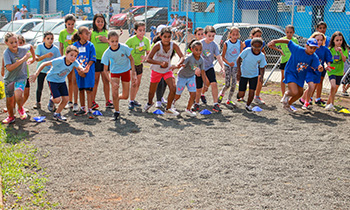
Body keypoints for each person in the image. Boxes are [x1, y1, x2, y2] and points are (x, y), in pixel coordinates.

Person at [29, 46, 87, 121]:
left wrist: (84, 70)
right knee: (57, 100)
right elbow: (44, 64)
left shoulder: (74, 62)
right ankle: (51, 100)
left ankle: (57, 114)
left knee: (66, 99)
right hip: (52, 80)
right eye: (71, 55)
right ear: (66, 54)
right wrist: (36, 74)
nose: (73, 57)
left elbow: (80, 68)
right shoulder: (59, 60)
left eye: (75, 56)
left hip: (61, 81)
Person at [268, 38, 321, 113]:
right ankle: (286, 94)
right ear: (306, 45)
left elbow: (317, 65)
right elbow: (288, 41)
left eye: (315, 48)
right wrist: (274, 41)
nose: (312, 50)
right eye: (311, 47)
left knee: (300, 93)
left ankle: (287, 105)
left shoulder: (313, 56)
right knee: (294, 91)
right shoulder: (297, 49)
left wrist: (320, 68)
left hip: (300, 76)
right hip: (291, 72)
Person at [144, 27, 184, 116]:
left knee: (173, 88)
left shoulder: (173, 45)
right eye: (165, 36)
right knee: (151, 91)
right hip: (156, 70)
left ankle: (168, 108)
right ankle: (150, 103)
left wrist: (178, 64)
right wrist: (160, 63)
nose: (167, 39)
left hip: (167, 70)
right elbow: (148, 59)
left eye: (169, 37)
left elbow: (182, 56)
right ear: (161, 36)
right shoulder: (158, 45)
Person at [101, 31, 136, 120]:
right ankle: (116, 112)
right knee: (115, 91)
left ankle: (116, 99)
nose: (115, 43)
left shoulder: (124, 48)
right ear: (108, 41)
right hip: (114, 72)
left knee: (125, 96)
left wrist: (133, 73)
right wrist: (111, 82)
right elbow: (105, 70)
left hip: (125, 70)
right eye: (112, 41)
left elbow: (131, 59)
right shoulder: (107, 53)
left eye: (116, 41)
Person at [2, 32, 36, 124]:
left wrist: (33, 58)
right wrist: (23, 59)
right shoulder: (6, 53)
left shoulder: (23, 49)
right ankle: (11, 117)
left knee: (18, 94)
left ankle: (20, 108)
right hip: (9, 79)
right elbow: (9, 68)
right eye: (11, 42)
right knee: (9, 101)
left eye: (16, 42)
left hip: (21, 77)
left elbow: (31, 46)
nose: (14, 44)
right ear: (6, 43)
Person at [193, 25, 225, 112]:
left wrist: (223, 67)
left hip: (209, 67)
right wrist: (196, 68)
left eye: (213, 36)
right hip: (200, 67)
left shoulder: (214, 45)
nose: (211, 38)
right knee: (199, 87)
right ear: (205, 35)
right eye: (209, 36)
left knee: (214, 83)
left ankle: (215, 104)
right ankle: (196, 103)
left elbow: (218, 56)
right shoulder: (200, 43)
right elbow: (194, 57)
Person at [300, 32, 332, 109]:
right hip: (309, 70)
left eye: (321, 40)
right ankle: (306, 102)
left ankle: (303, 99)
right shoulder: (310, 48)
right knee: (311, 86)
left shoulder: (325, 49)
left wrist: (328, 66)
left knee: (313, 86)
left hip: (318, 71)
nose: (319, 42)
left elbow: (328, 59)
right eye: (317, 40)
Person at [173, 40, 204, 117]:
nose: (198, 52)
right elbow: (183, 62)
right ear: (192, 49)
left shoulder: (201, 60)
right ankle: (171, 103)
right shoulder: (189, 57)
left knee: (193, 94)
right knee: (178, 94)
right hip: (182, 77)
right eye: (196, 50)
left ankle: (188, 109)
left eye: (200, 50)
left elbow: (203, 71)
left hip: (191, 77)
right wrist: (181, 65)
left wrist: (205, 83)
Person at [269, 25, 298, 102]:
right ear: (285, 32)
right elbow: (270, 45)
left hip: (292, 62)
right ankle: (283, 95)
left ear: (293, 32)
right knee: (283, 78)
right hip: (284, 61)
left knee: (291, 79)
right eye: (287, 32)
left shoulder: (295, 40)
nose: (289, 34)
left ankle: (289, 95)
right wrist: (280, 51)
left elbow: (297, 50)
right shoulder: (282, 40)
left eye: (291, 32)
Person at [237, 38, 267, 112]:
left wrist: (261, 76)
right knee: (241, 94)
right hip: (244, 74)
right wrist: (238, 71)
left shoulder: (261, 56)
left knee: (252, 92)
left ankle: (248, 105)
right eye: (255, 47)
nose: (256, 49)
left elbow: (262, 67)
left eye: (259, 47)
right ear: (251, 46)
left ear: (261, 47)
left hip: (254, 75)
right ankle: (239, 94)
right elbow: (239, 59)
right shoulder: (247, 51)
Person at [72, 26, 96, 119]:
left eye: (89, 33)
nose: (88, 35)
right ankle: (82, 108)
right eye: (86, 33)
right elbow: (73, 59)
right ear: (80, 35)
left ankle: (90, 109)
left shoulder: (90, 45)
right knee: (81, 89)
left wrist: (87, 68)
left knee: (89, 90)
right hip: (78, 71)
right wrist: (79, 70)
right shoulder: (75, 45)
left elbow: (92, 58)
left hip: (89, 71)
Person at [125, 21, 151, 110]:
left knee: (138, 83)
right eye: (140, 30)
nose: (142, 32)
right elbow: (124, 49)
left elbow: (148, 52)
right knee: (134, 82)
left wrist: (145, 57)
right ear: (135, 30)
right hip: (131, 64)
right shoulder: (131, 40)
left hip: (139, 64)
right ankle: (131, 101)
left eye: (144, 30)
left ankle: (133, 99)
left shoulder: (146, 40)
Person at [90, 14, 113, 110]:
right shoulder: (91, 33)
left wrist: (107, 40)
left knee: (106, 80)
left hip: (105, 60)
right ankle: (92, 101)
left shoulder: (107, 33)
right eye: (98, 21)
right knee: (95, 81)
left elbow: (113, 43)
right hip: (95, 60)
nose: (100, 23)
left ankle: (108, 101)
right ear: (94, 22)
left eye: (102, 21)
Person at [33, 32, 61, 109]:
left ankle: (52, 103)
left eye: (51, 38)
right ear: (44, 39)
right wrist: (46, 56)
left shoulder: (55, 49)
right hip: (41, 70)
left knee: (52, 88)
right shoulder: (40, 46)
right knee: (39, 87)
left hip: (51, 71)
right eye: (48, 38)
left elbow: (59, 60)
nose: (50, 40)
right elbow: (37, 59)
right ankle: (38, 102)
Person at [218, 26, 243, 108]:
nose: (235, 36)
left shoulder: (240, 43)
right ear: (230, 34)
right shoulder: (226, 43)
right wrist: (229, 63)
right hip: (228, 65)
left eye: (236, 34)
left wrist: (238, 64)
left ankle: (229, 99)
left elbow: (241, 54)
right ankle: (222, 93)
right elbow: (223, 56)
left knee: (234, 84)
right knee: (227, 84)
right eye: (233, 34)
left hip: (236, 66)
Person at [59, 14, 79, 111]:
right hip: (66, 60)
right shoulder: (62, 33)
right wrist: (61, 58)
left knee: (75, 81)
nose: (70, 26)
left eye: (72, 24)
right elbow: (61, 46)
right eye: (68, 24)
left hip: (74, 59)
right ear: (65, 24)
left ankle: (75, 102)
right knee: (69, 80)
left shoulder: (77, 32)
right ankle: (69, 101)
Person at [325, 31, 348, 110]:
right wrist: (328, 66)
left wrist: (341, 52)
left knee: (335, 89)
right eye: (337, 40)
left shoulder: (344, 49)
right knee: (333, 86)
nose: (339, 42)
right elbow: (328, 59)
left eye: (340, 40)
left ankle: (328, 103)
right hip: (332, 71)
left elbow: (344, 60)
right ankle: (332, 104)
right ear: (333, 41)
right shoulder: (330, 49)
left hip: (339, 71)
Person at [243, 28, 267, 104]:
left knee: (260, 79)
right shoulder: (247, 42)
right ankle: (243, 95)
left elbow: (263, 51)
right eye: (257, 36)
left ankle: (257, 96)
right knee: (246, 80)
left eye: (260, 36)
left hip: (258, 64)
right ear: (252, 36)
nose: (258, 37)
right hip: (248, 65)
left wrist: (264, 61)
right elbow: (241, 50)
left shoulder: (261, 43)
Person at [315, 21, 331, 105]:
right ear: (317, 29)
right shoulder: (314, 38)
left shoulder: (328, 39)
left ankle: (318, 97)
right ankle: (308, 98)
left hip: (323, 63)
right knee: (313, 81)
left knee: (320, 80)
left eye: (324, 28)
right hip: (314, 63)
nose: (322, 30)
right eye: (320, 28)